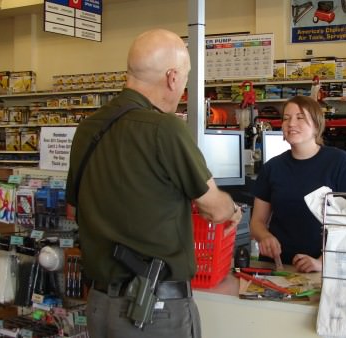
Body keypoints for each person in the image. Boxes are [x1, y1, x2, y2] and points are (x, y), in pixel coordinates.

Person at [66, 29, 242, 338]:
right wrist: (232, 208)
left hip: (99, 305)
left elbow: (73, 210)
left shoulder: (88, 129)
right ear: (172, 77)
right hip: (151, 309)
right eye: (185, 80)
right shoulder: (165, 129)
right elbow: (214, 209)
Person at [250, 95, 346, 273]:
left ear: (317, 125)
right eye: (286, 118)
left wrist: (322, 262)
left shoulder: (339, 163)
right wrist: (264, 236)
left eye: (300, 117)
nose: (291, 123)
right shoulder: (272, 167)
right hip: (278, 266)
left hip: (326, 269)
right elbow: (257, 222)